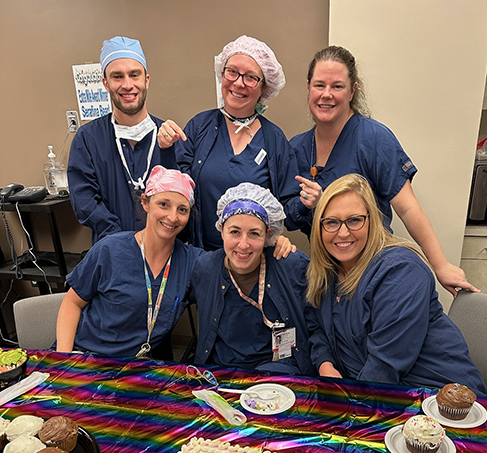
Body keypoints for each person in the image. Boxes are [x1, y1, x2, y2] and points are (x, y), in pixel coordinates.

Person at [291, 45, 476, 297]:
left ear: (353, 90)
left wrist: (440, 265)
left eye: (337, 86)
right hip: (325, 275)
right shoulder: (296, 148)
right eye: (319, 85)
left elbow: (408, 208)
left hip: (371, 274)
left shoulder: (373, 139)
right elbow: (288, 214)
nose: (326, 94)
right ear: (309, 87)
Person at [307, 174, 486, 393]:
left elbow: (385, 366)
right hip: (367, 392)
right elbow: (318, 330)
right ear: (319, 227)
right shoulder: (326, 274)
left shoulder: (400, 271)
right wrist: (325, 364)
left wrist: (348, 408)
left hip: (436, 395)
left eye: (354, 220)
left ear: (372, 221)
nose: (342, 232)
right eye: (332, 222)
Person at [161, 35, 307, 249]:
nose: (239, 83)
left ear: (263, 88)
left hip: (252, 260)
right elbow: (176, 192)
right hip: (201, 258)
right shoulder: (199, 127)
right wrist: (166, 150)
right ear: (222, 75)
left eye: (250, 77)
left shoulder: (274, 140)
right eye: (232, 72)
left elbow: (289, 214)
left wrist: (306, 203)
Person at [56, 167, 202, 358]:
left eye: (182, 209)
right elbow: (72, 303)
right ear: (145, 203)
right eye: (164, 204)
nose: (173, 217)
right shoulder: (109, 250)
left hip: (135, 370)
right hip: (84, 356)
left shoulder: (191, 262)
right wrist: (61, 361)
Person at [68, 36, 183, 244]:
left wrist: (167, 152)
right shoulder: (87, 139)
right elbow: (84, 201)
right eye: (117, 77)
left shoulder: (168, 137)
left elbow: (181, 198)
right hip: (112, 250)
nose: (127, 85)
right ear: (106, 83)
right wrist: (121, 241)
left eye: (134, 75)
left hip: (164, 251)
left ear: (146, 80)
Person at [190, 183, 314, 375]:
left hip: (278, 372)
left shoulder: (290, 265)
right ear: (221, 230)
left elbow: (318, 320)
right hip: (222, 372)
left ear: (268, 234)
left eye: (254, 233)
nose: (243, 244)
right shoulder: (205, 269)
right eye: (234, 232)